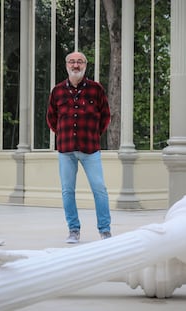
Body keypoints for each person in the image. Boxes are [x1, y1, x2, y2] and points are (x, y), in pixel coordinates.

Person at [46, 51, 112, 244]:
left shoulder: (96, 89)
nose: (76, 65)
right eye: (72, 62)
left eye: (80, 62)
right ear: (66, 65)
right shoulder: (57, 91)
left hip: (90, 149)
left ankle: (105, 231)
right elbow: (51, 118)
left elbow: (105, 116)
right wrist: (62, 135)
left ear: (85, 65)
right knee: (67, 191)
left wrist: (92, 134)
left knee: (99, 189)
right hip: (65, 150)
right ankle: (73, 230)